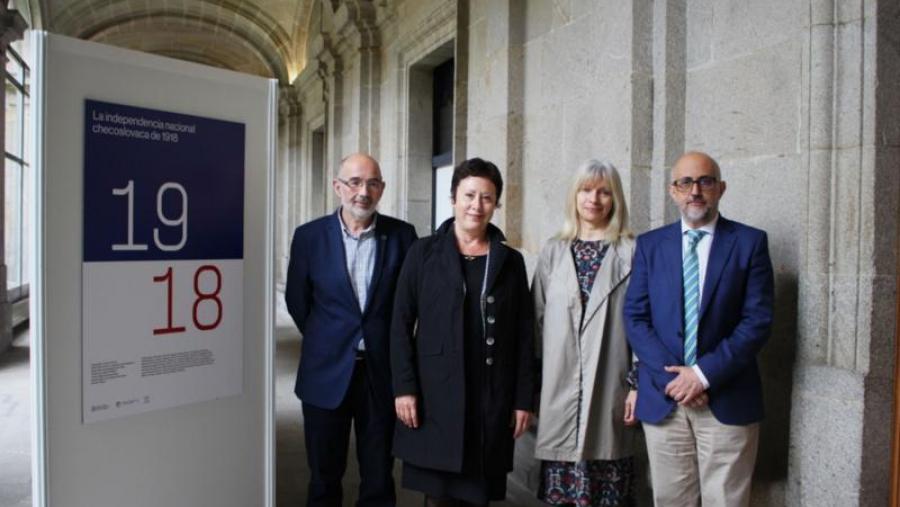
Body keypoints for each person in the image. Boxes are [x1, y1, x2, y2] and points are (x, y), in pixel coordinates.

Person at [623, 151, 774, 507]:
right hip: (664, 399)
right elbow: (635, 317)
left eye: (705, 181)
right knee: (671, 500)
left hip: (727, 398)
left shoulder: (750, 243)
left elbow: (757, 321)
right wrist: (678, 381)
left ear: (720, 188)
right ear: (672, 191)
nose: (695, 191)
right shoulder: (650, 245)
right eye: (685, 182)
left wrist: (702, 375)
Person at [391, 158, 535, 507]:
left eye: (487, 197)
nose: (477, 205)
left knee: (478, 494)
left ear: (496, 204)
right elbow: (399, 323)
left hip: (490, 394)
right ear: (453, 198)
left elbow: (524, 335)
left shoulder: (510, 260)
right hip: (435, 394)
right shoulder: (423, 253)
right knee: (438, 496)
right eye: (469, 195)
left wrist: (523, 399)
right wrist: (404, 388)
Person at [284, 153, 417, 507]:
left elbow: (408, 307)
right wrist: (329, 337)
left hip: (379, 376)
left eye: (372, 183)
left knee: (378, 478)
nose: (363, 192)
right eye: (355, 182)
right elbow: (299, 302)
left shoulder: (403, 237)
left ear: (382, 189)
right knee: (324, 477)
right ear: (337, 186)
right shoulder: (309, 237)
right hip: (325, 372)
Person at [532, 159, 639, 507]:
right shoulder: (553, 251)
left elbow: (644, 322)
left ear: (616, 199)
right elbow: (535, 323)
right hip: (558, 390)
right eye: (586, 189)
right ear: (574, 196)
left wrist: (637, 384)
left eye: (604, 191)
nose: (594, 199)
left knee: (607, 479)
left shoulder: (633, 252)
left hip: (611, 385)